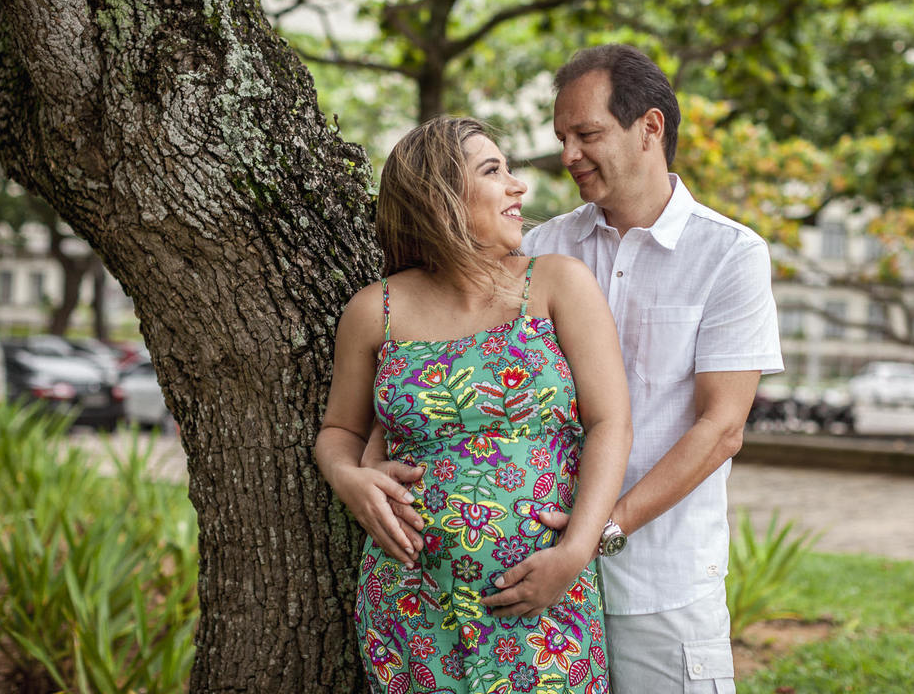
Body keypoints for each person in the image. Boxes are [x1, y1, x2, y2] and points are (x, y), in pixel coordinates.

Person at [485, 45, 784, 693]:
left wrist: (596, 533)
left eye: (587, 134)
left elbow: (721, 429)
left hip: (662, 585)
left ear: (650, 127)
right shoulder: (540, 248)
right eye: (562, 138)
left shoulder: (729, 254)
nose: (568, 155)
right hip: (533, 580)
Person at [315, 116, 632, 694]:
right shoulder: (374, 311)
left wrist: (575, 553)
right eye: (493, 171)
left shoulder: (556, 284)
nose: (518, 186)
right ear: (437, 197)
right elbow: (340, 429)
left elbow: (610, 423)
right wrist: (347, 477)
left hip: (542, 600)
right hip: (412, 604)